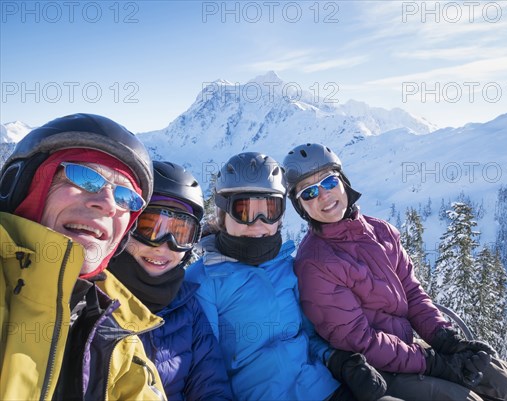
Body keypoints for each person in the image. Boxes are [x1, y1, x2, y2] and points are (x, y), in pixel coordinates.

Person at [282, 143, 507, 401]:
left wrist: (448, 341)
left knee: (502, 381)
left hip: (408, 350)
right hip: (375, 369)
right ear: (300, 207)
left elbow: (413, 294)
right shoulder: (315, 263)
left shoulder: (381, 232)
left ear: (343, 182)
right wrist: (435, 363)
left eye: (329, 182)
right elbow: (361, 342)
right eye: (309, 193)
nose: (324, 196)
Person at [185, 152, 404, 401]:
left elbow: (310, 336)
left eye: (269, 210)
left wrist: (336, 360)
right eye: (244, 210)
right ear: (223, 214)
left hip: (323, 388)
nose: (258, 223)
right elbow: (205, 370)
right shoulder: (203, 281)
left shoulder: (286, 266)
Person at [0, 113, 167, 400]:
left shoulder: (120, 339)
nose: (107, 204)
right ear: (24, 186)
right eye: (84, 177)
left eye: (126, 197)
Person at [108, 160, 233, 401]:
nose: (165, 245)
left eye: (181, 233)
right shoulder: (91, 300)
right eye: (150, 226)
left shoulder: (187, 307)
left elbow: (211, 387)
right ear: (126, 227)